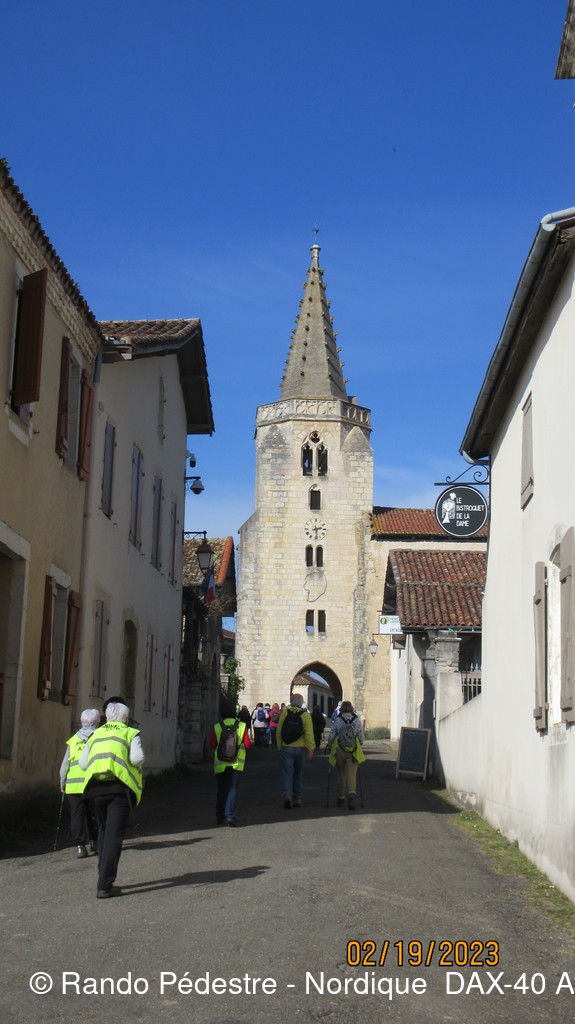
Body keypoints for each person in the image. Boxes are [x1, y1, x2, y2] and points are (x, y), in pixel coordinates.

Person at [79, 701, 144, 898]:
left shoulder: (95, 734)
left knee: (103, 831)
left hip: (95, 790)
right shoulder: (130, 733)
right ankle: (105, 885)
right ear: (126, 719)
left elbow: (83, 764)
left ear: (106, 718)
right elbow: (137, 759)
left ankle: (102, 876)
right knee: (114, 836)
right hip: (119, 790)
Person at [59, 708, 100, 858]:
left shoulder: (73, 740)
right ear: (97, 722)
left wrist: (63, 782)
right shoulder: (99, 738)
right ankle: (94, 842)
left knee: (77, 815)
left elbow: (65, 765)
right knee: (93, 813)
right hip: (92, 783)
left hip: (73, 785)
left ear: (82, 722)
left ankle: (80, 846)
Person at [209, 697, 250, 826]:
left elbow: (212, 744)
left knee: (221, 789)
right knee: (232, 789)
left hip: (221, 763)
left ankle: (220, 815)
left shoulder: (217, 726)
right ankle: (230, 816)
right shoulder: (241, 726)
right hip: (236, 763)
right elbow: (247, 744)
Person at [276, 692, 314, 809]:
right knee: (298, 773)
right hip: (300, 748)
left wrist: (279, 745)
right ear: (301, 703)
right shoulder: (306, 715)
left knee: (287, 772)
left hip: (286, 747)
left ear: (291, 703)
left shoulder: (285, 713)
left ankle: (287, 794)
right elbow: (309, 733)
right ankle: (297, 798)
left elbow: (279, 731)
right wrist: (311, 748)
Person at [328, 700, 365, 810]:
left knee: (341, 774)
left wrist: (330, 746)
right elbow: (361, 738)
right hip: (353, 750)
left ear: (341, 709)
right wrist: (358, 744)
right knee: (352, 774)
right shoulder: (356, 720)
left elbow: (332, 736)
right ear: (351, 709)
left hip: (340, 749)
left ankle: (341, 798)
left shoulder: (338, 720)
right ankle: (352, 796)